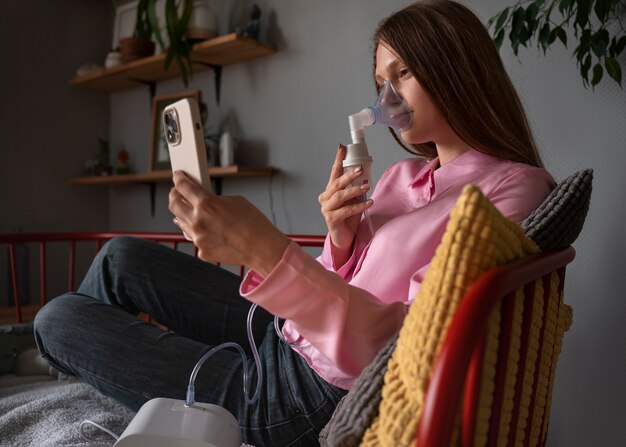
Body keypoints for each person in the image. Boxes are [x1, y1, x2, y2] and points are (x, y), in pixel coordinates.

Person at [34, 1, 555, 445]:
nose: (385, 97)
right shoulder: (403, 175)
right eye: (379, 81)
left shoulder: (514, 189)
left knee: (56, 319)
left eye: (403, 74)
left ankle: (81, 359)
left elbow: (405, 348)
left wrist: (267, 252)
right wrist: (341, 239)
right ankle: (91, 364)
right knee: (121, 256)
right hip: (290, 332)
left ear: (456, 67)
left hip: (314, 394)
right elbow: (342, 278)